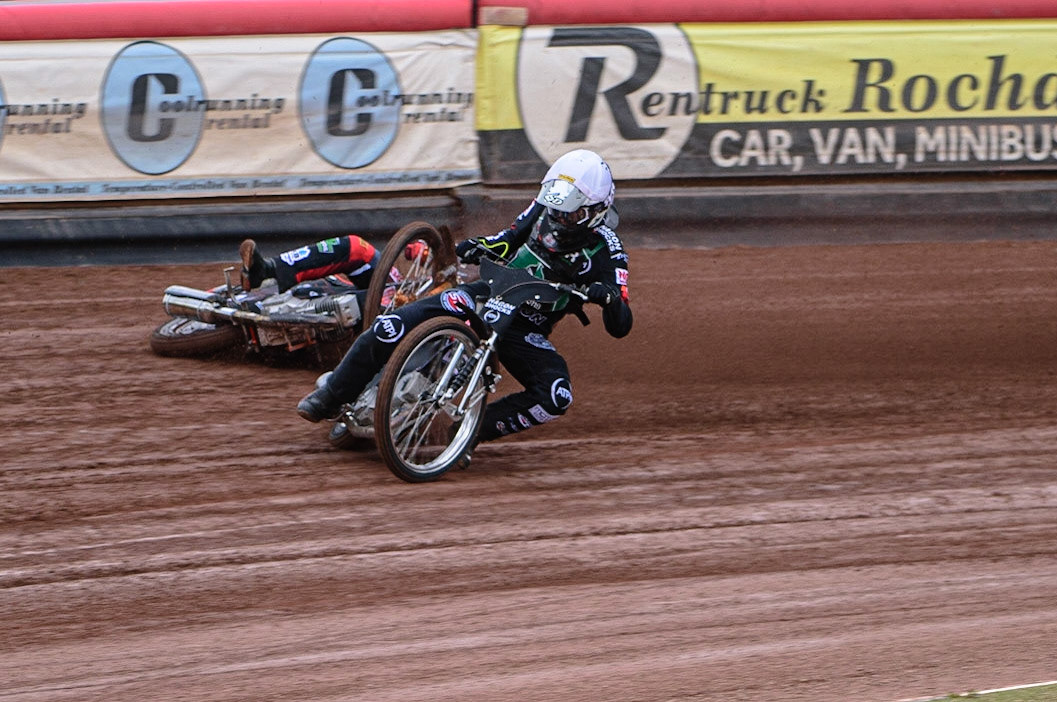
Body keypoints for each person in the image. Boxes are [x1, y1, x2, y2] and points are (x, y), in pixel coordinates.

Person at [296, 148, 633, 444]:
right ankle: (331, 395)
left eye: (570, 212)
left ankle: (466, 433)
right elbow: (506, 240)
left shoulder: (608, 250)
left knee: (556, 395)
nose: (559, 217)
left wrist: (609, 298)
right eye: (556, 206)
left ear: (595, 211)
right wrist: (475, 246)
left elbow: (621, 325)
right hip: (489, 293)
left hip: (526, 329)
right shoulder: (544, 209)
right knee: (392, 324)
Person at [239, 234, 381, 293]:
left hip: (384, 294)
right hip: (376, 277)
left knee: (356, 248)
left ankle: (269, 269)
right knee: (355, 247)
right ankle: (268, 269)